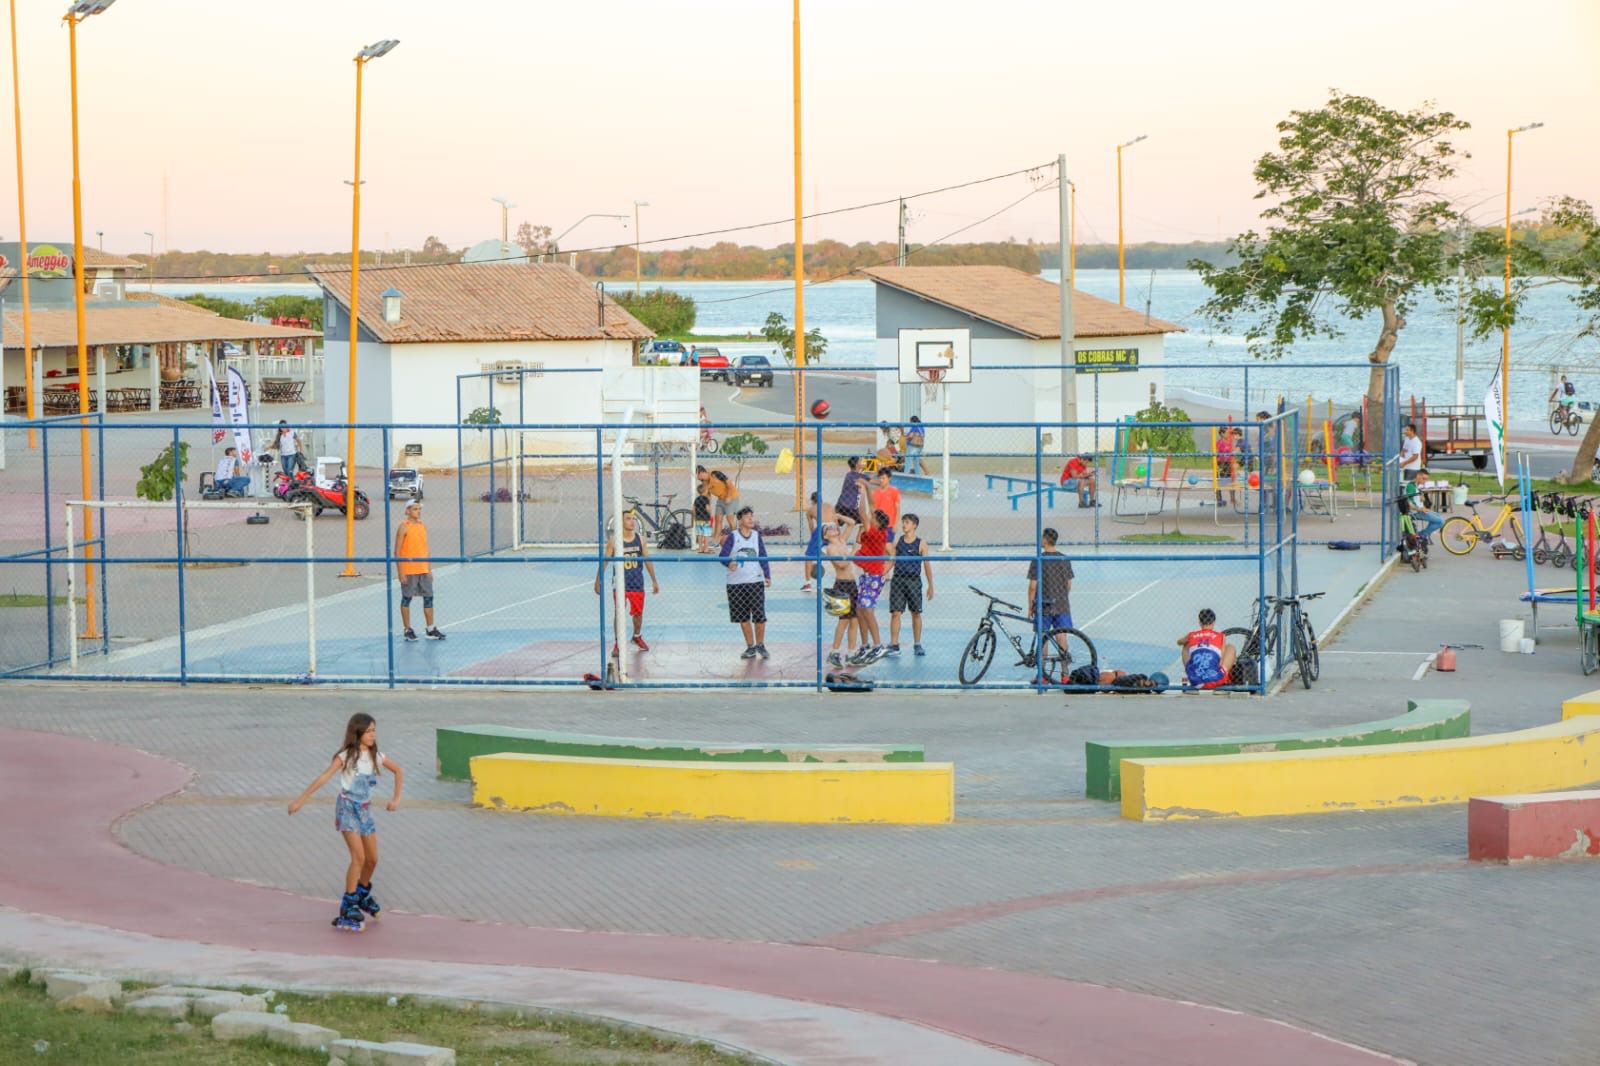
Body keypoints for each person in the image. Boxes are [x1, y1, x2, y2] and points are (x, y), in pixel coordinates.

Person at [287, 712, 404, 933]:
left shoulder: (375, 755)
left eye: (374, 731)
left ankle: (362, 895)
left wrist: (396, 799)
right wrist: (300, 800)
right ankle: (348, 905)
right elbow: (324, 777)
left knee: (372, 859)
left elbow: (398, 771)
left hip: (365, 811)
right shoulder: (346, 756)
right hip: (347, 809)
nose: (373, 735)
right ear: (357, 732)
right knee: (358, 858)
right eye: (369, 731)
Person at [595, 510, 661, 651]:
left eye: (633, 519)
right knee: (619, 612)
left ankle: (637, 636)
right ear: (621, 522)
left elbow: (647, 560)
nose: (632, 521)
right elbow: (605, 561)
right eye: (628, 519)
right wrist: (598, 579)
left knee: (638, 613)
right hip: (620, 582)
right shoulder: (614, 541)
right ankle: (618, 643)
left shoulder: (641, 539)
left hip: (637, 581)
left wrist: (654, 580)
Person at [719, 506, 771, 660]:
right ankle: (750, 647)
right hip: (736, 584)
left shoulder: (756, 536)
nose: (751, 519)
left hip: (755, 582)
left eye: (752, 516)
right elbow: (722, 556)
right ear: (740, 519)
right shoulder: (733, 537)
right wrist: (729, 563)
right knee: (743, 617)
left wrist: (767, 575)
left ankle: (760, 645)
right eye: (747, 517)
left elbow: (763, 555)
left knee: (760, 616)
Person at [394, 501, 445, 641]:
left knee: (429, 598)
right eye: (415, 509)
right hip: (409, 570)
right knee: (407, 599)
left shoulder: (422, 526)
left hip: (423, 570)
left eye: (419, 509)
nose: (418, 511)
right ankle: (407, 629)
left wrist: (429, 569)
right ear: (407, 511)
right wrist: (401, 572)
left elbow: (425, 549)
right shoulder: (403, 527)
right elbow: (397, 552)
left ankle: (430, 629)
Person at [888, 513, 933, 656]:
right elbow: (892, 561)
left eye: (907, 522)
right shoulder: (898, 542)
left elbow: (926, 565)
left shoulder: (921, 544)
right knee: (896, 613)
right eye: (903, 522)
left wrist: (930, 585)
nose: (904, 525)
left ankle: (917, 643)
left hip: (913, 581)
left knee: (916, 613)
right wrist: (881, 574)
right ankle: (894, 645)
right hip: (898, 580)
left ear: (914, 525)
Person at [1026, 527, 1074, 654]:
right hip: (1061, 603)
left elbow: (1032, 587)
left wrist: (1031, 605)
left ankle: (1043, 671)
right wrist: (1061, 595)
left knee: (1043, 637)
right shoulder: (1064, 559)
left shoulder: (1038, 560)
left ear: (1045, 540)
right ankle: (1064, 671)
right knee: (1061, 635)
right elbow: (1069, 584)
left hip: (1043, 604)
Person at [853, 509, 892, 660]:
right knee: (860, 610)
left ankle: (878, 646)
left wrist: (863, 490)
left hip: (874, 577)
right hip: (866, 575)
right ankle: (865, 645)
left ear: (877, 522)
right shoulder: (869, 534)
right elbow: (859, 539)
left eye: (873, 517)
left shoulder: (878, 534)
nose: (869, 518)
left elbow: (863, 514)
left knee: (867, 610)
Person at [822, 520, 862, 667]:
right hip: (842, 585)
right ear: (825, 536)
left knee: (854, 620)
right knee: (844, 620)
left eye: (833, 527)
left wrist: (837, 515)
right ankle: (835, 652)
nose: (833, 528)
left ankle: (851, 653)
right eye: (828, 528)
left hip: (852, 584)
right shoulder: (831, 548)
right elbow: (842, 564)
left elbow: (851, 523)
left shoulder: (842, 541)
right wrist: (853, 552)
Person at [1176, 608, 1237, 690]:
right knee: (1230, 647)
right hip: (1216, 680)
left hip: (1196, 682)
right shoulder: (1221, 636)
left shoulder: (1191, 635)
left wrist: (1186, 640)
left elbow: (1179, 642)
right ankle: (1225, 681)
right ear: (1214, 622)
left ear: (1200, 622)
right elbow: (1221, 660)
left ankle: (1191, 673)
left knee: (1186, 645)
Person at [801, 492, 835, 592]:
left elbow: (812, 528)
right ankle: (840, 579)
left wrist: (814, 542)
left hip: (821, 527)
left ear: (812, 501)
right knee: (835, 553)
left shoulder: (811, 510)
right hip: (833, 527)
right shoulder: (830, 506)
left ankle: (807, 584)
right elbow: (836, 521)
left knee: (809, 556)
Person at [1403, 468, 1445, 541]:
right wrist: (1420, 509)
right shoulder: (1410, 486)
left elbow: (1416, 499)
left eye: (1426, 479)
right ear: (1418, 476)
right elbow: (1408, 503)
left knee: (1437, 515)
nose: (1425, 481)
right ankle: (1421, 535)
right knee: (1441, 522)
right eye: (1424, 479)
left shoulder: (1415, 485)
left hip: (1420, 510)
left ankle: (1425, 534)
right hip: (1415, 512)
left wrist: (1421, 497)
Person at [697, 464, 738, 536]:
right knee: (718, 519)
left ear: (701, 472)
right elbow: (707, 495)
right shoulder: (704, 482)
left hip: (731, 496)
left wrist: (729, 496)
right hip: (721, 499)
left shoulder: (715, 474)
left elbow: (729, 484)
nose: (697, 478)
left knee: (730, 519)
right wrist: (708, 506)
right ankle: (716, 539)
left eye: (697, 475)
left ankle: (736, 538)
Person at [835, 456, 872, 525]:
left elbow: (858, 474)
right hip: (851, 508)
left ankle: (839, 521)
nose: (863, 463)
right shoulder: (861, 476)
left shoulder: (848, 475)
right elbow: (877, 482)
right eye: (861, 461)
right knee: (865, 523)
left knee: (837, 522)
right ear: (857, 465)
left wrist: (864, 470)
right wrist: (879, 470)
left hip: (840, 504)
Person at [870, 468, 902, 540]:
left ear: (889, 478)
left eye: (883, 478)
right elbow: (873, 509)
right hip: (878, 525)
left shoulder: (894, 491)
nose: (881, 480)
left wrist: (896, 524)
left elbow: (898, 509)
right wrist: (876, 472)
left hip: (889, 525)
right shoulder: (875, 492)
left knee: (888, 545)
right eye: (880, 478)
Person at [1214, 429, 1237, 508]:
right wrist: (1216, 465)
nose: (1228, 434)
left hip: (1228, 463)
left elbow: (1233, 452)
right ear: (1222, 434)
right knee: (1219, 481)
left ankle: (1233, 498)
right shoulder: (1219, 443)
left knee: (1231, 480)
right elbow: (1215, 454)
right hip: (1221, 464)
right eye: (1227, 433)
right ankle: (1219, 500)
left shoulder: (1230, 442)